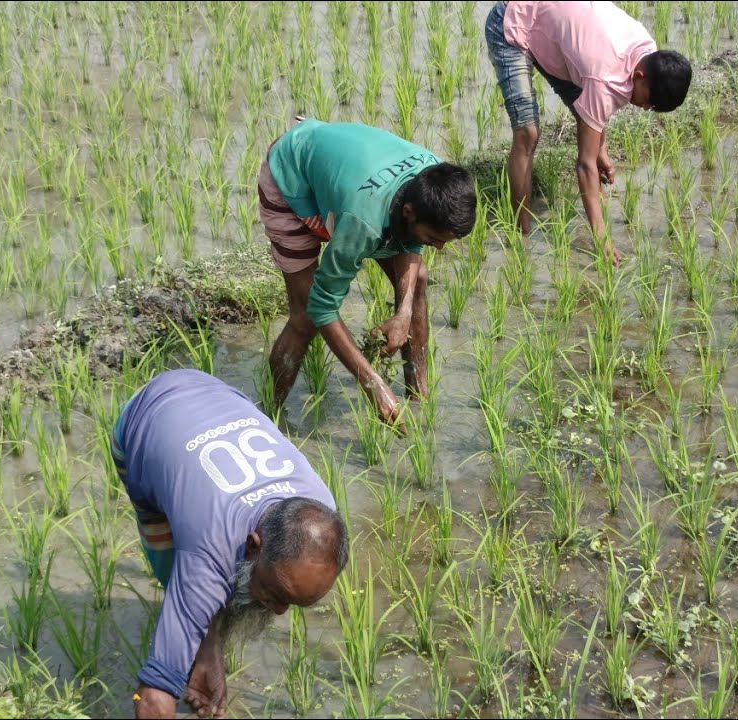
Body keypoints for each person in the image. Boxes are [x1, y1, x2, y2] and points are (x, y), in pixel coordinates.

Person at [111, 369, 349, 719]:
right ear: (253, 544)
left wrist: (208, 650)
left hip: (218, 397)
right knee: (176, 568)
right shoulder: (209, 551)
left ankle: (205, 652)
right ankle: (193, 640)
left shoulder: (321, 507)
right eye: (277, 593)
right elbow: (151, 698)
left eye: (295, 603)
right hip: (144, 420)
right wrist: (166, 675)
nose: (279, 611)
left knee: (226, 585)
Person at [258, 117, 477, 425]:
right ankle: (268, 418)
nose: (438, 248)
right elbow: (323, 308)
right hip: (292, 177)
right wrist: (374, 384)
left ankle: (419, 397)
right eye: (434, 239)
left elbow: (411, 245)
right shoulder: (363, 223)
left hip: (347, 178)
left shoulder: (436, 180)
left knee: (419, 280)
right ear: (408, 213)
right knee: (305, 314)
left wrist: (403, 314)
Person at [484, 1, 693, 257]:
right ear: (639, 76)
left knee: (593, 145)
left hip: (553, 35)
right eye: (649, 101)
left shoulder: (645, 48)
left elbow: (595, 105)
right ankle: (521, 237)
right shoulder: (605, 77)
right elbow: (584, 164)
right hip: (511, 23)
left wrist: (600, 149)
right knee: (528, 132)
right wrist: (602, 239)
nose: (646, 108)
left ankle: (594, 212)